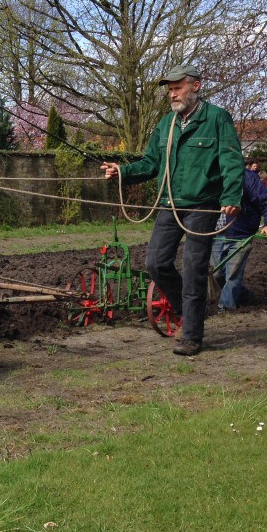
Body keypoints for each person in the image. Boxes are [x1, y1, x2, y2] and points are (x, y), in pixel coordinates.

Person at [103, 63, 243, 357]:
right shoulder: (166, 124)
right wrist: (123, 171)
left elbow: (231, 161)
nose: (172, 94)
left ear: (196, 86)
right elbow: (151, 163)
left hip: (202, 206)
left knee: (193, 270)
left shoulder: (217, 119)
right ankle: (189, 312)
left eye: (177, 87)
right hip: (169, 203)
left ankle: (191, 336)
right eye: (169, 89)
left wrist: (231, 196)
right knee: (156, 263)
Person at [210, 166, 267, 310]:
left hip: (240, 232)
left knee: (233, 274)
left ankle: (226, 308)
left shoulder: (247, 177)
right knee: (217, 274)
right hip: (215, 233)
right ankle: (246, 296)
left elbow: (266, 201)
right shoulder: (209, 175)